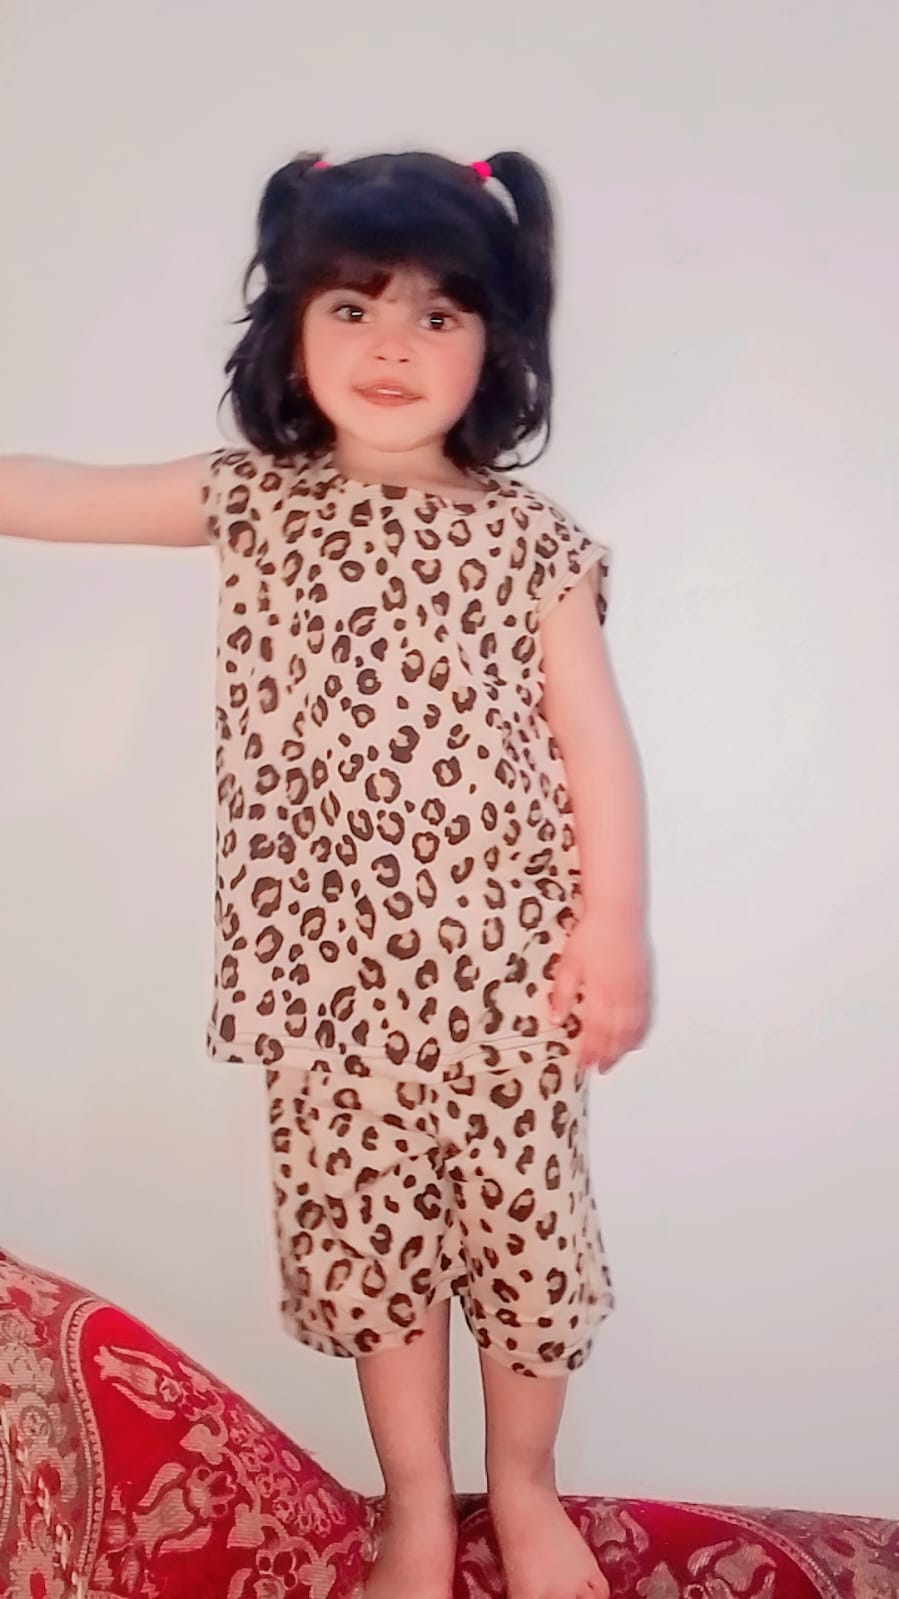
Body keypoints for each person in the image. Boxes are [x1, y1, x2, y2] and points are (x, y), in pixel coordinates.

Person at [0, 148, 652, 1599]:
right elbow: (56, 489)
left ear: (497, 347)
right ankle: (415, 1503)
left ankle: (524, 1488)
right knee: (374, 1257)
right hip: (326, 985)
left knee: (526, 1247)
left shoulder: (532, 544)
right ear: (291, 332)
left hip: (507, 975)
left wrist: (613, 928)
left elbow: (596, 747)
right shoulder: (257, 502)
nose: (392, 345)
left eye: (437, 314)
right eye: (352, 307)